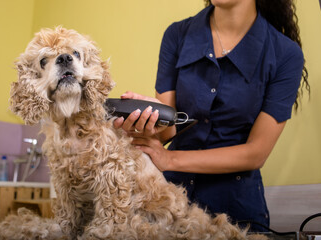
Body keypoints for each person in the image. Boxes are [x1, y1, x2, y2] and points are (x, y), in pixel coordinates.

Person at [114, 0, 310, 232]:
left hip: (237, 211)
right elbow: (168, 131)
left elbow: (256, 153)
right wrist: (151, 122)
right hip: (172, 202)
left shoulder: (286, 54)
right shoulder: (176, 35)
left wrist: (170, 159)